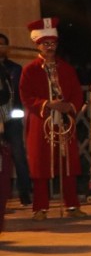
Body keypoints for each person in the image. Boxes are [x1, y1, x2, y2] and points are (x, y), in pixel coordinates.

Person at [18, 18, 85, 220]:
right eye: (45, 44)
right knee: (41, 165)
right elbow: (26, 96)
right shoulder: (29, 70)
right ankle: (40, 208)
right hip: (41, 122)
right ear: (37, 45)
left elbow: (76, 93)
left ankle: (72, 205)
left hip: (64, 122)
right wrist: (47, 104)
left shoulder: (66, 68)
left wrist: (68, 106)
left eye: (52, 43)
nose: (49, 47)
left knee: (68, 163)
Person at [0, 32, 33, 206]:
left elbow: (18, 93)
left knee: (18, 154)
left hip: (11, 117)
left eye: (3, 44)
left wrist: (17, 112)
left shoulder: (14, 68)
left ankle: (24, 192)